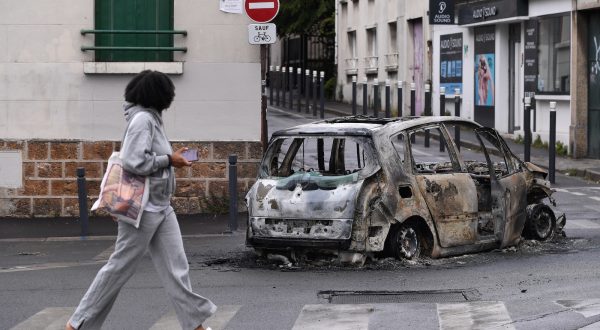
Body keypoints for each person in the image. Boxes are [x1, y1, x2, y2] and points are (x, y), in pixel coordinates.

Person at [66, 70, 216, 330]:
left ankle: (195, 325)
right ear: (160, 96)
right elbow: (135, 161)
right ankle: (77, 324)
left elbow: (150, 156)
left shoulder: (152, 119)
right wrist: (170, 160)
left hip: (161, 206)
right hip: (143, 209)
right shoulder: (143, 120)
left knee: (177, 270)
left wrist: (172, 156)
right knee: (119, 269)